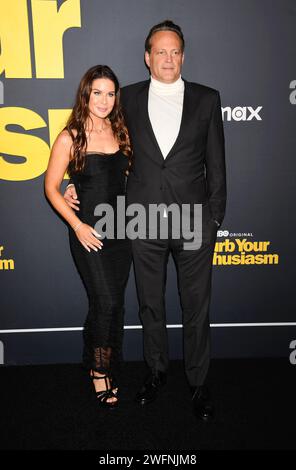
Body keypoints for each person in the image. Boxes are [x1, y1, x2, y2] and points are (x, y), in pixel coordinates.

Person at [64, 20, 226, 420]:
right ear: (147, 56)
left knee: (196, 308)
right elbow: (99, 143)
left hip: (193, 223)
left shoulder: (207, 99)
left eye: (175, 51)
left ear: (183, 56)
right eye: (160, 51)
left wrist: (214, 220)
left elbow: (217, 166)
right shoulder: (128, 99)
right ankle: (155, 374)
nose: (167, 58)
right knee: (150, 307)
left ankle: (199, 383)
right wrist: (73, 184)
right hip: (142, 222)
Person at [45, 65, 132, 408]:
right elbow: (50, 188)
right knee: (106, 302)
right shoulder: (71, 135)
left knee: (115, 305)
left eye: (111, 93)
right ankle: (98, 371)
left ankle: (106, 362)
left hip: (122, 232)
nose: (104, 100)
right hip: (89, 233)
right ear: (85, 94)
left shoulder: (121, 130)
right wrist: (77, 224)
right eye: (97, 92)